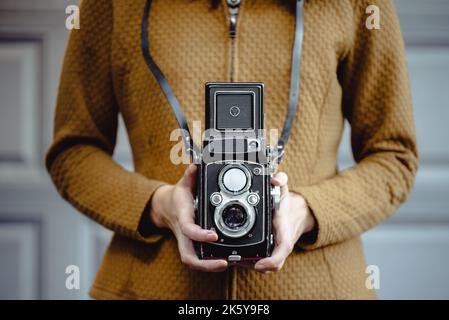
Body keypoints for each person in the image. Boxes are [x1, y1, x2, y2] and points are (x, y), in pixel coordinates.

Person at [46, 0, 418, 299]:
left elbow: (394, 155)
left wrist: (308, 211)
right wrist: (158, 207)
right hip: (149, 287)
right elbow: (73, 152)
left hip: (317, 288)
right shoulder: (112, 4)